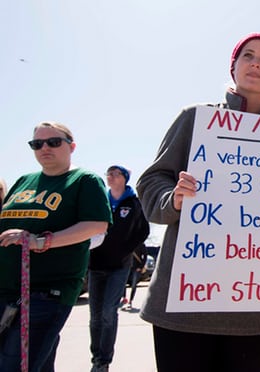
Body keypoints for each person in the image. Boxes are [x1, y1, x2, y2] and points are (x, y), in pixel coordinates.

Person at [136, 33, 260, 372]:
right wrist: (171, 199)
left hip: (256, 311)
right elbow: (150, 181)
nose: (255, 63)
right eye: (248, 55)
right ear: (233, 67)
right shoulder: (196, 118)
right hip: (183, 306)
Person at [0, 122, 111, 371]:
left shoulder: (84, 180)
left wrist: (41, 241)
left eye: (53, 142)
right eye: (37, 144)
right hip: (6, 287)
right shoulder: (23, 181)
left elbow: (96, 225)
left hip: (45, 293)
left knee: (15, 365)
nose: (44, 148)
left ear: (71, 146)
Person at [88, 165, 149, 372]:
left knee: (108, 312)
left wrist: (126, 249)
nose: (111, 177)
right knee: (95, 315)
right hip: (95, 264)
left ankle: (104, 360)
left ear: (125, 178)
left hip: (119, 266)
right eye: (109, 174)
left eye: (116, 174)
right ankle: (96, 356)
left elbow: (143, 230)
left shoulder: (133, 203)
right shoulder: (99, 200)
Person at [121, 241, 148, 311]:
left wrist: (141, 266)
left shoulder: (141, 244)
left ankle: (130, 300)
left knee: (133, 285)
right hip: (127, 267)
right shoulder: (128, 242)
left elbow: (145, 256)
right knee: (123, 283)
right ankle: (124, 298)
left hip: (136, 268)